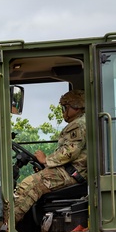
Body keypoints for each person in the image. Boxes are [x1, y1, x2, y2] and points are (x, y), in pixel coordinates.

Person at [12, 89, 87, 224]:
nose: (63, 111)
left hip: (74, 173)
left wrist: (46, 160)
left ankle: (8, 226)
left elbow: (69, 152)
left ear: (76, 107)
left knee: (29, 185)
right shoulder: (82, 122)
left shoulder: (78, 124)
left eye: (65, 107)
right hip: (73, 171)